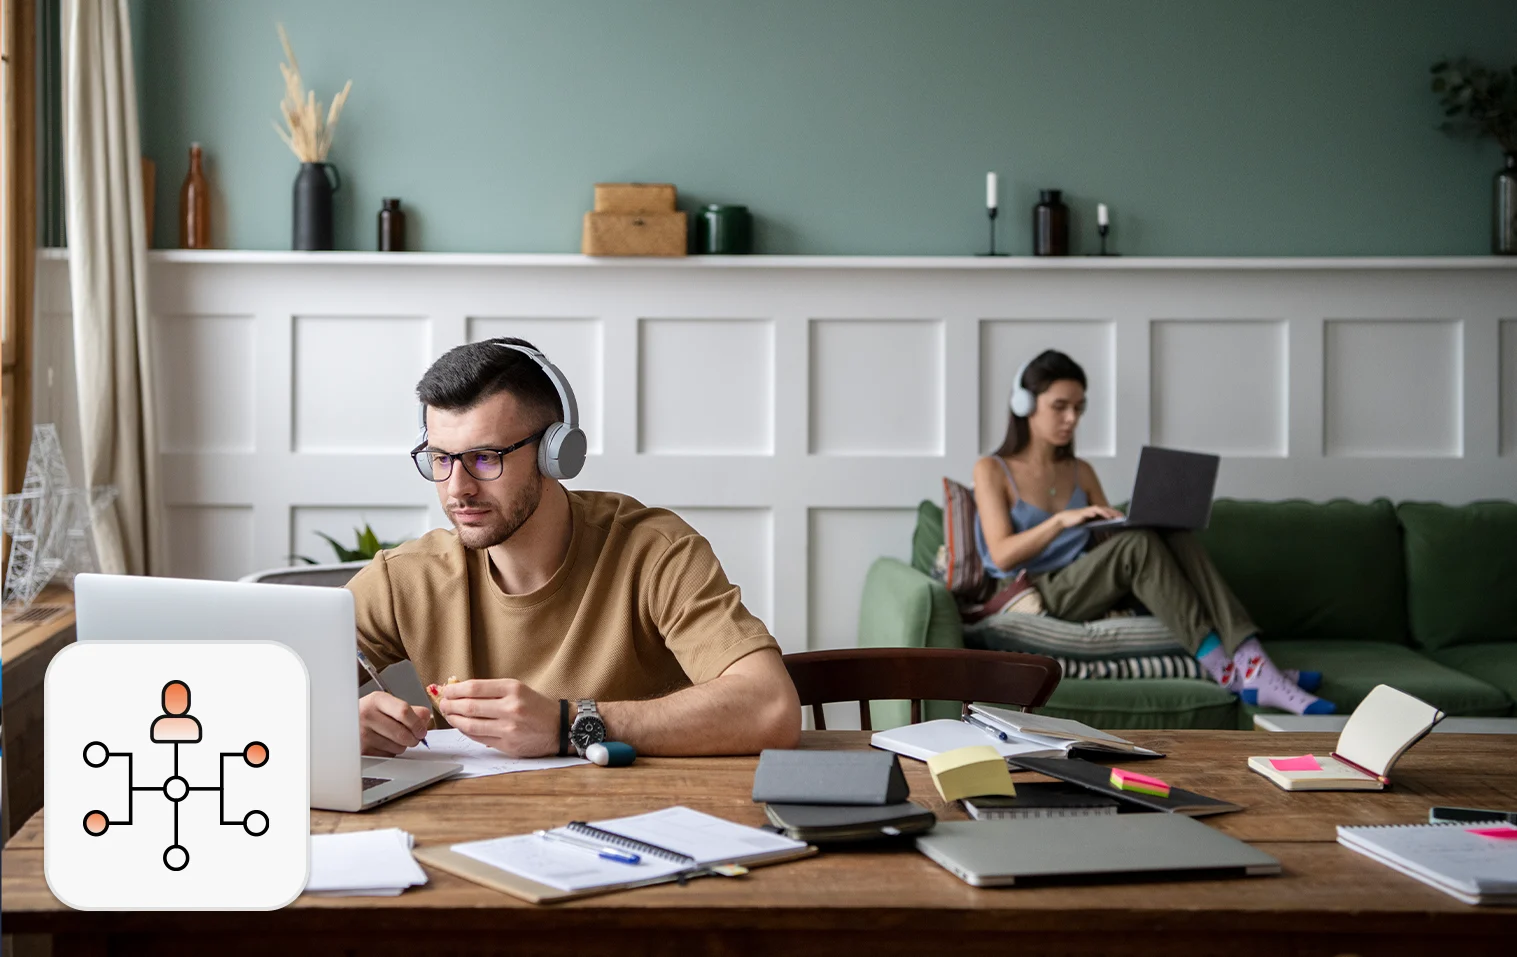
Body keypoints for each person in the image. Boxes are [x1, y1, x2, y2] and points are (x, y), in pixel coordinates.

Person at [348, 337, 802, 758]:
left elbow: (770, 707)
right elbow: (277, 680)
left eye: (485, 458)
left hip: (638, 820)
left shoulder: (653, 551)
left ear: (556, 454)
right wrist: (337, 725)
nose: (457, 488)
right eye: (441, 459)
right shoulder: (406, 577)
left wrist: (569, 723)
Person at [972, 349, 1333, 715]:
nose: (1071, 419)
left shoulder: (1081, 470)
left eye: (1079, 408)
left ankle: (1252, 661)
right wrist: (1061, 520)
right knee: (1138, 546)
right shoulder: (992, 469)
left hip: (1091, 582)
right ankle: (1231, 673)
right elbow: (1001, 554)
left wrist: (1139, 522)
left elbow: (1113, 542)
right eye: (1060, 406)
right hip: (1036, 590)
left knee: (1171, 534)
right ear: (1025, 404)